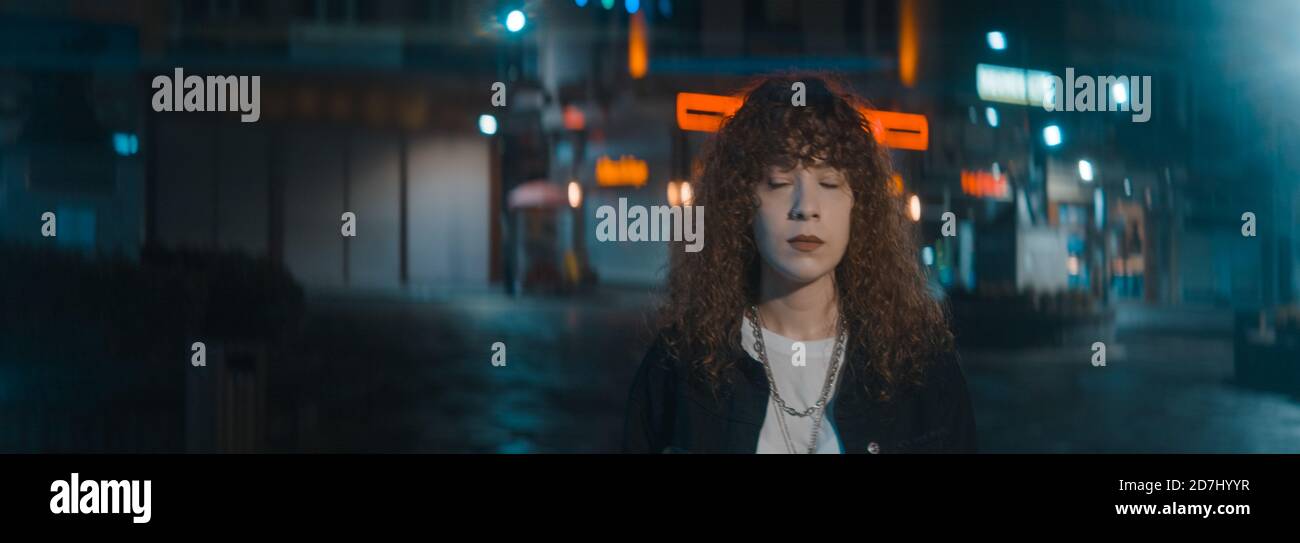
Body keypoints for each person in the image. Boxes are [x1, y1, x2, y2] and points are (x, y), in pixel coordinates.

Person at [622, 74, 977, 454]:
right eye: (778, 182)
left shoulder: (920, 370)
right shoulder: (680, 369)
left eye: (829, 182)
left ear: (857, 203)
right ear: (742, 204)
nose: (805, 207)